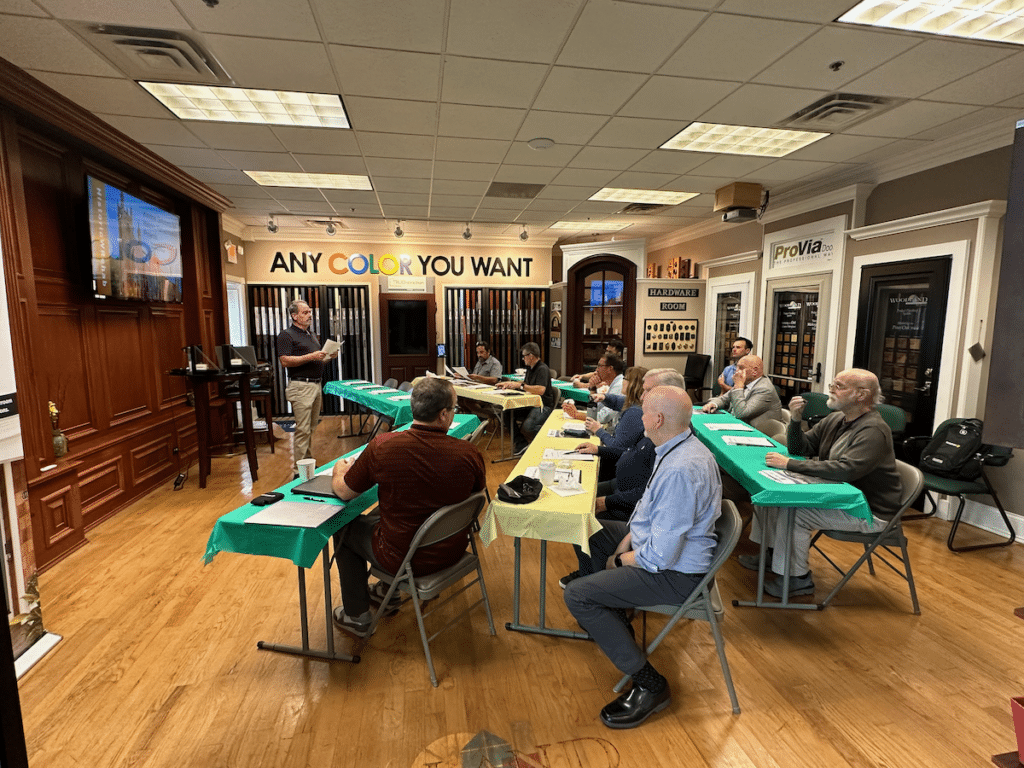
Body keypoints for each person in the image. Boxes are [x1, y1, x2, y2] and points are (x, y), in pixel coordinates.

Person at [563, 385, 722, 729]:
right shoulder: (675, 447)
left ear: (659, 418)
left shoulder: (682, 467)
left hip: (677, 576)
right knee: (585, 530)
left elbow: (660, 557)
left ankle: (650, 684)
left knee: (577, 595)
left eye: (644, 411)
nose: (638, 417)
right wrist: (624, 545)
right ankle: (613, 612)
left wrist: (618, 562)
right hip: (660, 555)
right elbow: (648, 515)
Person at [328, 378, 486, 637]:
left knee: (344, 527)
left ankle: (357, 616)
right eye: (455, 409)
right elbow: (477, 496)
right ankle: (386, 593)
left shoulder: (383, 446)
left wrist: (338, 472)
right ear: (444, 415)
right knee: (383, 513)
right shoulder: (468, 453)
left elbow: (344, 491)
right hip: (452, 549)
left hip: (405, 558)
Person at [747, 369, 903, 598]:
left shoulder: (873, 430)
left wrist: (790, 465)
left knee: (796, 513)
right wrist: (796, 420)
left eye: (839, 386)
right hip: (839, 495)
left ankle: (797, 579)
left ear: (861, 395)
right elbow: (801, 448)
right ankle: (771, 555)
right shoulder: (837, 418)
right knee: (772, 498)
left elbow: (846, 470)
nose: (831, 389)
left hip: (868, 510)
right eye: (833, 384)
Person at [277, 299, 332, 477]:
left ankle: (307, 464)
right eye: (305, 312)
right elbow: (284, 361)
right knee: (302, 430)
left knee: (311, 428)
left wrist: (329, 355)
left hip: (315, 384)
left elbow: (318, 359)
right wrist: (311, 356)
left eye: (309, 312)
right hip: (300, 386)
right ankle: (298, 473)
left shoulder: (311, 334)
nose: (310, 315)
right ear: (294, 316)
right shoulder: (287, 335)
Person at [495, 342, 557, 455]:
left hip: (543, 405)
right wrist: (511, 384)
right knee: (506, 412)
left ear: (531, 356)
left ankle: (543, 444)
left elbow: (540, 389)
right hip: (530, 403)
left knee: (528, 426)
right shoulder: (530, 368)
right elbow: (526, 383)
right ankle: (521, 443)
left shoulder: (542, 368)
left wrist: (520, 386)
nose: (523, 359)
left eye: (524, 356)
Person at [701, 354, 783, 424]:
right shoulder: (745, 382)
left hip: (757, 433)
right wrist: (713, 404)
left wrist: (738, 388)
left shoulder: (764, 389)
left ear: (755, 371)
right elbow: (723, 399)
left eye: (741, 368)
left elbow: (741, 413)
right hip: (737, 425)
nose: (736, 372)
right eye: (737, 368)